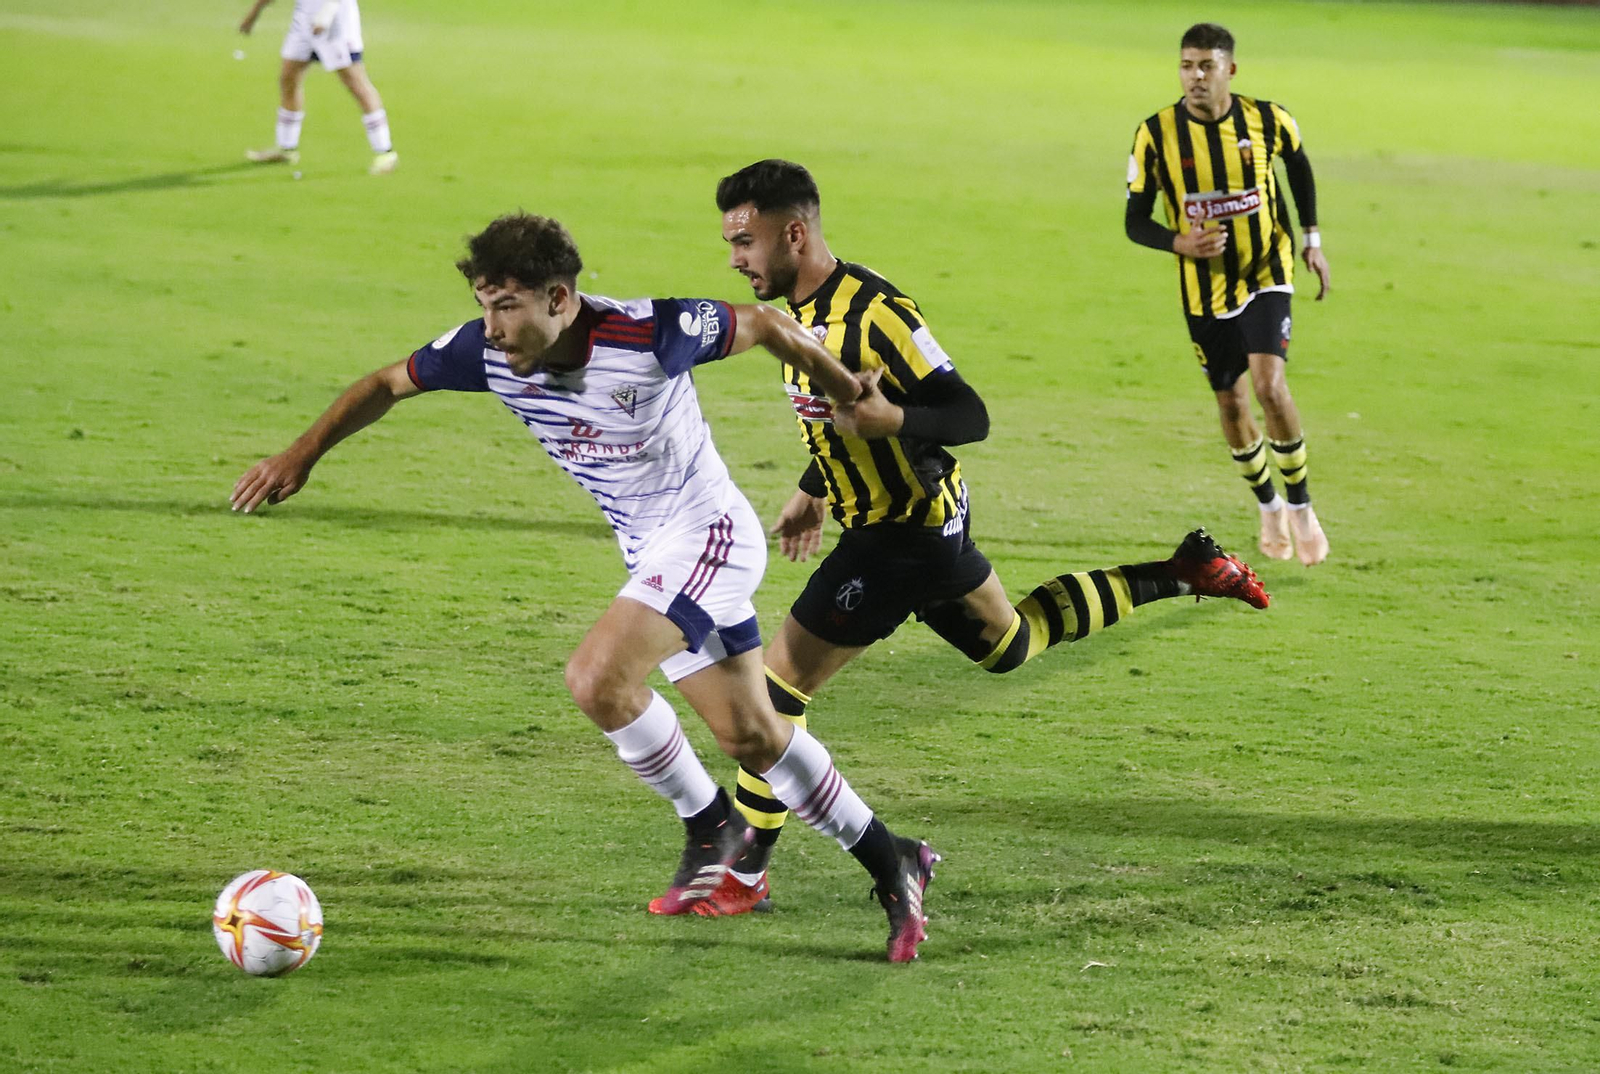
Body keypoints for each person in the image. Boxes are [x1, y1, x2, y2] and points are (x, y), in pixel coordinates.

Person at [230, 213, 938, 962]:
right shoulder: (486, 353)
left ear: (560, 298)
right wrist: (300, 455)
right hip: (654, 554)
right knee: (753, 737)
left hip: (710, 536)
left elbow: (763, 324)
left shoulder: (650, 334)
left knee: (598, 679)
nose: (491, 325)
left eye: (508, 305)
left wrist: (846, 391)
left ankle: (710, 825)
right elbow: (385, 384)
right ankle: (892, 857)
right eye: (483, 303)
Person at [682, 159, 1269, 918]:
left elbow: (967, 413)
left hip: (904, 534)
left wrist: (898, 422)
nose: (735, 257)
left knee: (775, 692)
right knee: (1011, 644)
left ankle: (747, 870)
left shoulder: (878, 312)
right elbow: (845, 417)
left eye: (745, 240)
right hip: (915, 527)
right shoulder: (793, 315)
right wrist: (813, 487)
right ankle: (1184, 570)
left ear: (793, 233)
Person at [1125, 22, 1331, 565]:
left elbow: (1299, 165)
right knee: (1231, 400)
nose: (1195, 76)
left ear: (1229, 69)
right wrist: (1179, 242)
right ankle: (1268, 506)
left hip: (1267, 268)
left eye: (1206, 65)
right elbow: (1133, 221)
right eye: (1187, 65)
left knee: (1268, 386)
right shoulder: (1156, 134)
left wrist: (1311, 239)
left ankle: (1302, 505)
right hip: (1204, 290)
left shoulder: (1267, 118)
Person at [237, 0, 398, 175]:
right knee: (288, 78)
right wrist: (254, 13)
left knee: (355, 82)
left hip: (335, 19)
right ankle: (286, 148)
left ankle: (385, 152)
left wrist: (326, 14)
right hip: (304, 19)